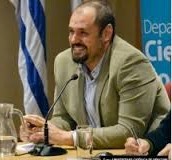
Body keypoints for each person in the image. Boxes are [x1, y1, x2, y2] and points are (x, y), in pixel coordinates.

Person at [20, 0, 170, 149]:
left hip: (147, 151)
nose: (73, 40)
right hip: (93, 151)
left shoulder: (131, 63)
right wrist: (42, 131)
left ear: (106, 34)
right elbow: (64, 118)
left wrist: (69, 137)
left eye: (83, 33)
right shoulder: (63, 62)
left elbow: (129, 132)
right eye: (71, 31)